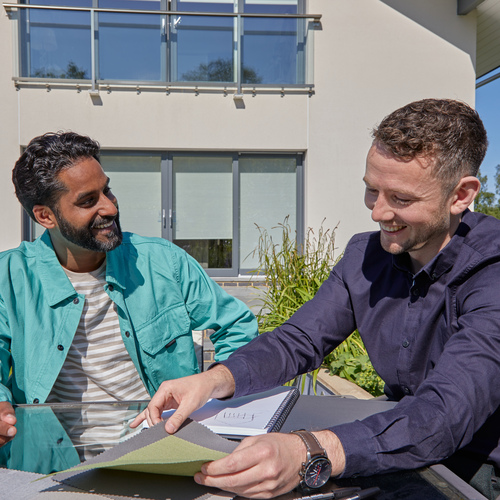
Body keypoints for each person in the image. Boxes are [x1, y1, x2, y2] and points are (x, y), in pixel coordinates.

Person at [132, 98, 500, 500]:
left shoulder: (492, 273)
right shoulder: (366, 256)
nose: (378, 212)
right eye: (371, 190)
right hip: (390, 446)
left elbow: (445, 415)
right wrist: (214, 380)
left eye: (401, 199)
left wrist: (309, 450)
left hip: (477, 468)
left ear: (461, 195)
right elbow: (299, 340)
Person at [0, 132, 258, 450]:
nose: (109, 207)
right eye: (87, 201)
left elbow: (237, 327)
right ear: (45, 216)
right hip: (53, 462)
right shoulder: (8, 277)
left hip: (162, 449)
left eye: (106, 190)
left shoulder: (164, 261)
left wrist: (216, 388)